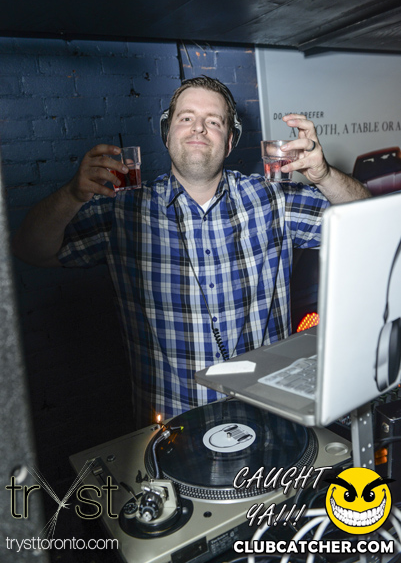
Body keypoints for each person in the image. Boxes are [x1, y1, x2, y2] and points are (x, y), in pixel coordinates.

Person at [12, 76, 370, 428]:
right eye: (186, 118)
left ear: (229, 143)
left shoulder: (273, 199)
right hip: (170, 427)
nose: (198, 128)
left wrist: (325, 175)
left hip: (270, 415)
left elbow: (367, 224)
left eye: (213, 122)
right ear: (167, 135)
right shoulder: (122, 211)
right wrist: (72, 195)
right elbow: (31, 250)